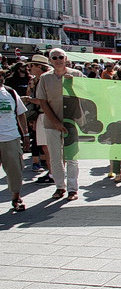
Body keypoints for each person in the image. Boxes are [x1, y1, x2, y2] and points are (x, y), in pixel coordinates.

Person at [35, 48, 85, 200]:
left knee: (72, 157)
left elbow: (86, 95)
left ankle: (72, 189)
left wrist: (73, 85)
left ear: (66, 58)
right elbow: (42, 101)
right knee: (55, 157)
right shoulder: (45, 78)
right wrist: (55, 122)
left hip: (72, 121)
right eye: (54, 57)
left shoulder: (76, 74)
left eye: (60, 57)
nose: (58, 60)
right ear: (50, 60)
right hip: (52, 122)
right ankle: (59, 187)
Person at [0, 69, 30, 211]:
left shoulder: (10, 92)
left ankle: (16, 197)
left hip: (11, 137)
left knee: (15, 170)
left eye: (1, 75)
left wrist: (25, 135)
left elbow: (21, 114)